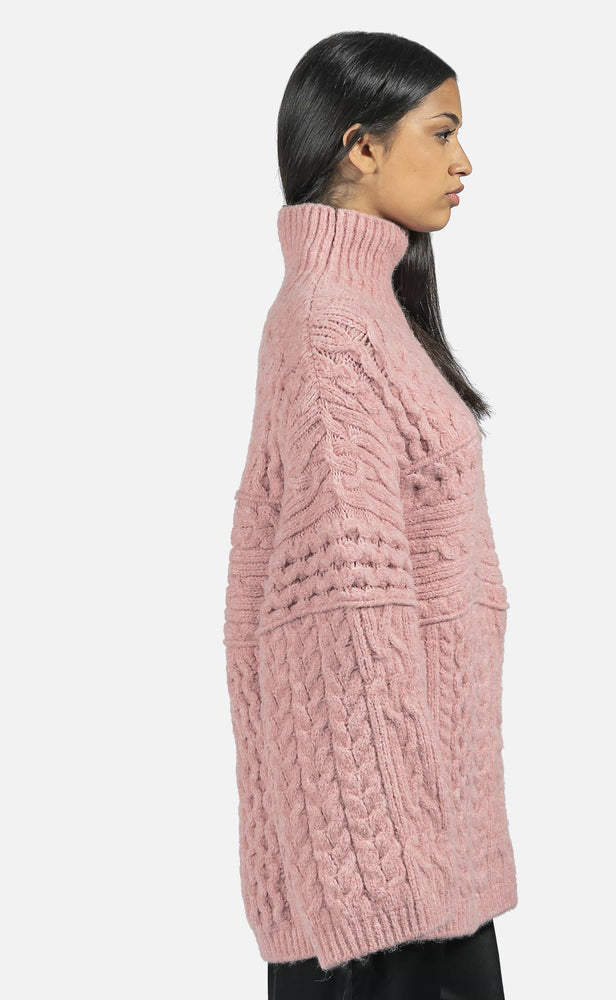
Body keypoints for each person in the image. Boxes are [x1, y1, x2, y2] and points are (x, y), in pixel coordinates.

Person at [222, 30, 518, 999]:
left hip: (423, 861)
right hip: (387, 894)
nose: (463, 161)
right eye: (441, 132)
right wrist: (390, 878)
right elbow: (342, 617)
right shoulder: (329, 325)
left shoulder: (366, 311)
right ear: (360, 147)